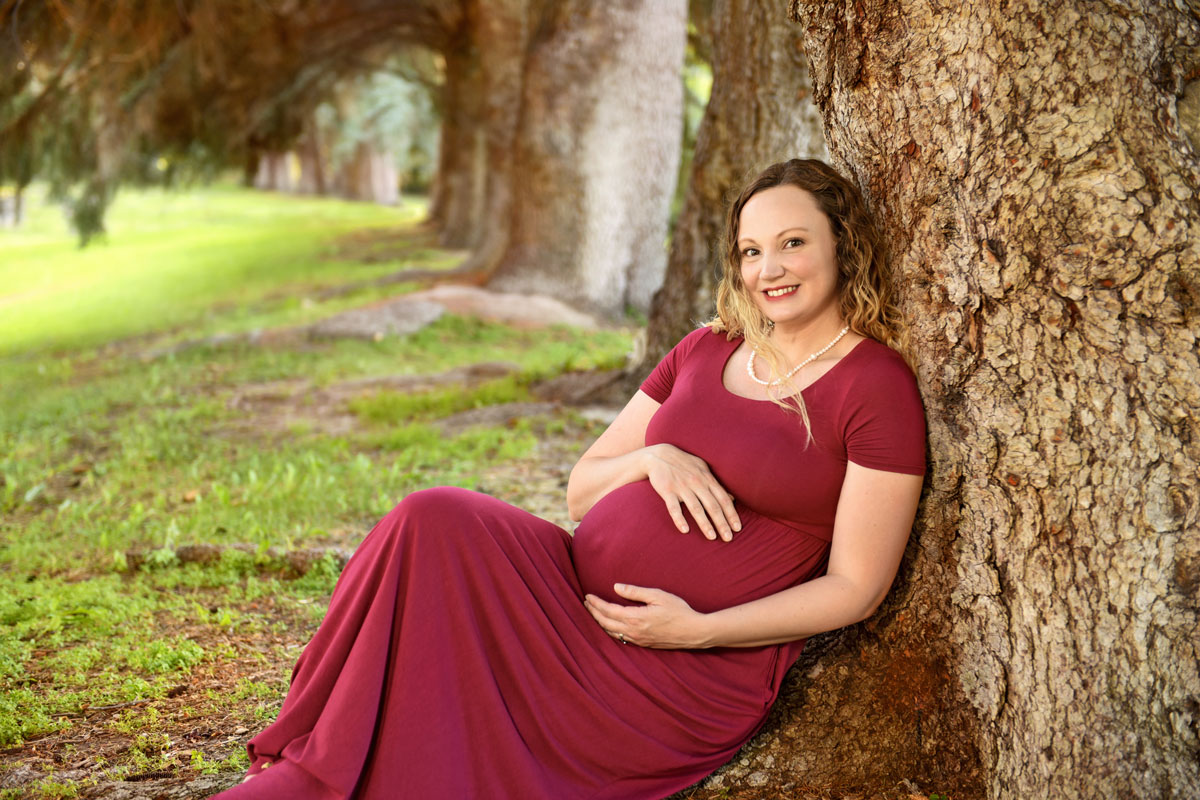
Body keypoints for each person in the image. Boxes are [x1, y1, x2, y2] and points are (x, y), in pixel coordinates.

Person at [211, 158, 926, 800]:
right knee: (430, 516)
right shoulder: (705, 348)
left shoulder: (873, 385)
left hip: (673, 670)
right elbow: (582, 489)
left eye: (793, 243)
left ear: (842, 244)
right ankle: (317, 755)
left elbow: (856, 587)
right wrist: (651, 458)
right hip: (563, 601)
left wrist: (701, 630)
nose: (770, 269)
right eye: (751, 250)